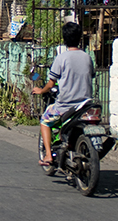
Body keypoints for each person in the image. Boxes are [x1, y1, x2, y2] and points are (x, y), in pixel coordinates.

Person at [32, 21, 94, 165]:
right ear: (79, 38)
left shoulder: (61, 58)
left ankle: (48, 155)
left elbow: (51, 83)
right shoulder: (87, 57)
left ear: (64, 39)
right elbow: (90, 76)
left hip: (66, 106)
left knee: (45, 121)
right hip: (85, 105)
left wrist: (41, 90)